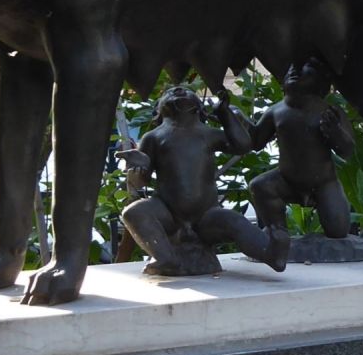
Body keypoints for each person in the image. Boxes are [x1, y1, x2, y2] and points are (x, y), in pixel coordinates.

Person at [119, 86, 285, 275]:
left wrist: (225, 114)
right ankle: (164, 257)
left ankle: (271, 252)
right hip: (168, 214)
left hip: (206, 216)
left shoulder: (207, 133)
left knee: (235, 222)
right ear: (158, 110)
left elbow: (242, 145)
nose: (180, 90)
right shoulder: (154, 137)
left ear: (200, 108)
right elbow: (142, 182)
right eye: (170, 92)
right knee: (133, 212)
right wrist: (138, 169)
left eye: (189, 91)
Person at [248, 58, 355, 250]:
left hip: (323, 182)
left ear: (321, 80)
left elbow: (347, 151)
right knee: (260, 185)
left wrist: (336, 132)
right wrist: (233, 117)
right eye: (291, 67)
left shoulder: (329, 111)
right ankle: (277, 234)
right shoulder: (276, 111)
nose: (294, 69)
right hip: (286, 180)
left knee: (338, 231)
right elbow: (256, 141)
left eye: (308, 66)